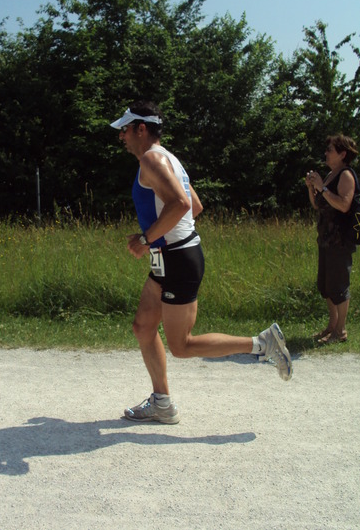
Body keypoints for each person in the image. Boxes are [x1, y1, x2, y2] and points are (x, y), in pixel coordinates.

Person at [110, 100, 293, 424]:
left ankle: (262, 344)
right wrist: (159, 238)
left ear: (141, 129)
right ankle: (162, 403)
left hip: (178, 260)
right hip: (170, 258)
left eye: (124, 130)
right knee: (143, 326)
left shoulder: (152, 159)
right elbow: (195, 205)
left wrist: (147, 238)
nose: (121, 136)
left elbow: (182, 204)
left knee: (181, 345)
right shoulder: (169, 158)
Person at [305, 134, 359, 345]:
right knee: (325, 285)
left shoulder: (346, 176)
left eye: (330, 150)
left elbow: (344, 205)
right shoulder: (329, 175)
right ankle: (332, 326)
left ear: (342, 154)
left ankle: (341, 330)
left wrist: (323, 187)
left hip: (340, 240)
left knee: (338, 286)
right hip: (325, 238)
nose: (326, 153)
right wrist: (312, 188)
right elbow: (318, 205)